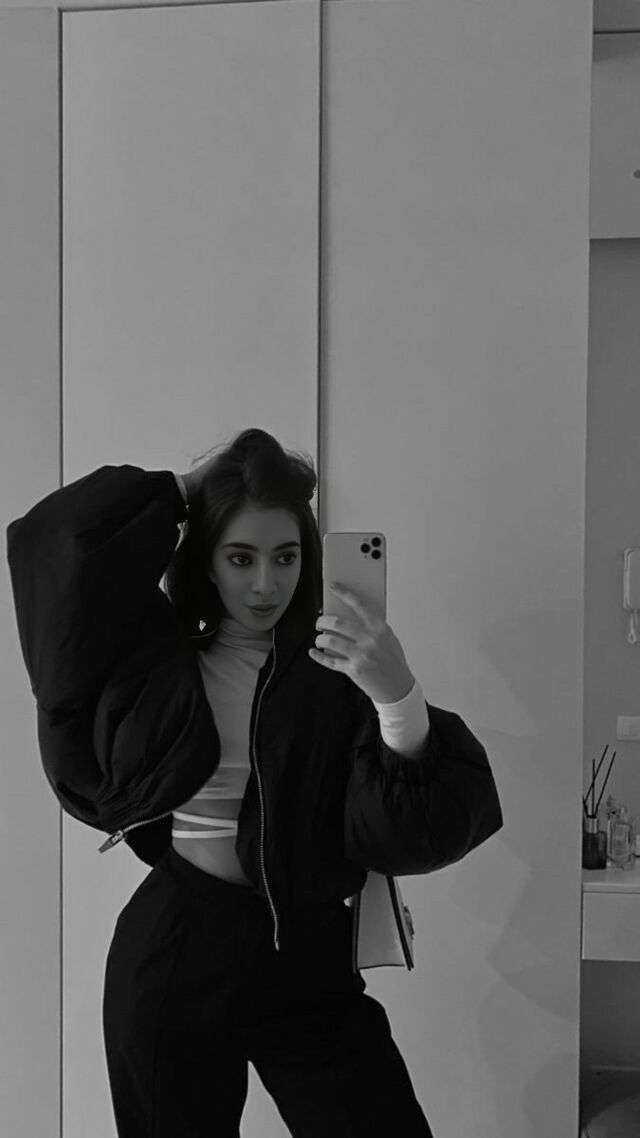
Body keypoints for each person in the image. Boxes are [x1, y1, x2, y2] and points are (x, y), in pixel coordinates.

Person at [5, 427, 503, 1138]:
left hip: (307, 955)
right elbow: (54, 544)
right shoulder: (159, 666)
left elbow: (412, 832)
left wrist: (398, 695)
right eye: (240, 557)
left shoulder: (341, 674)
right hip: (177, 948)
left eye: (285, 556)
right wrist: (188, 489)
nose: (266, 584)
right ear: (207, 561)